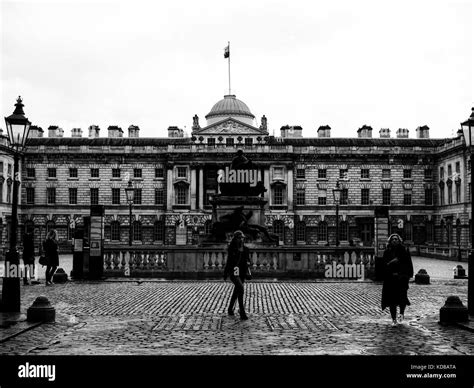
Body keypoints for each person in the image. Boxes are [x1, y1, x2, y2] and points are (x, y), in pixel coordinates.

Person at [381, 233, 414, 326]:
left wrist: (405, 275)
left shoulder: (404, 251)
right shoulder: (387, 252)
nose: (394, 240)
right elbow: (384, 265)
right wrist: (390, 266)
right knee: (392, 301)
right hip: (391, 280)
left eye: (396, 239)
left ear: (399, 241)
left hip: (401, 279)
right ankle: (394, 319)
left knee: (402, 299)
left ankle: (401, 314)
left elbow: (408, 265)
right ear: (390, 241)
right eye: (393, 239)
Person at [224, 230, 251, 320]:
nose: (241, 240)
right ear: (235, 239)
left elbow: (248, 261)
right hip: (234, 271)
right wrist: (225, 272)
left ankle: (230, 308)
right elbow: (229, 261)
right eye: (239, 238)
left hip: (242, 272)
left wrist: (248, 271)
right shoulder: (232, 249)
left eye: (242, 238)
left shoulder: (246, 249)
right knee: (240, 288)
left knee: (236, 291)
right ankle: (242, 311)